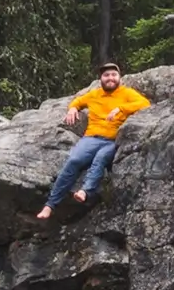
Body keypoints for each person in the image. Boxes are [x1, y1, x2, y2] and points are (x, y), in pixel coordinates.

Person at [37, 62, 151, 219]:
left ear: (119, 78)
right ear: (101, 79)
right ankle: (49, 206)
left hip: (112, 140)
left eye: (113, 75)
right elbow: (77, 101)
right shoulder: (94, 94)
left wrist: (121, 108)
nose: (110, 78)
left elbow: (145, 104)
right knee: (73, 161)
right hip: (91, 138)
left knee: (101, 158)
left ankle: (85, 191)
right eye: (106, 75)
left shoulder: (126, 93)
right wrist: (72, 108)